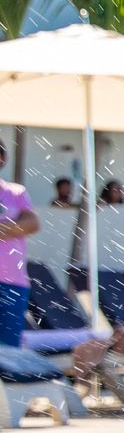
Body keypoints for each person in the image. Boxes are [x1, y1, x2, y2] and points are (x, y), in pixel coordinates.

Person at [0, 144, 39, 347]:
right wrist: (13, 227)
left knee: (8, 352)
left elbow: (33, 223)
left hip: (12, 283)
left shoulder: (15, 192)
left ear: (2, 158)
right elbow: (23, 224)